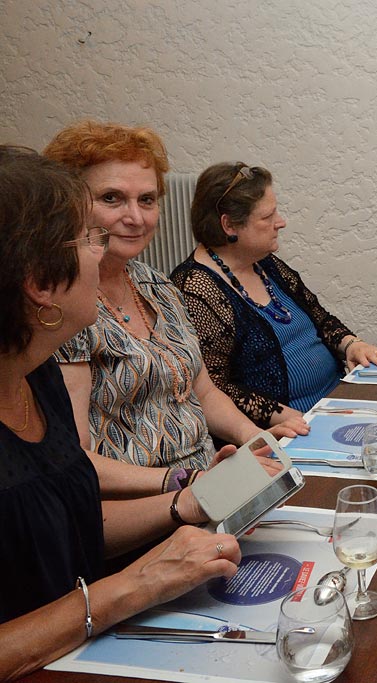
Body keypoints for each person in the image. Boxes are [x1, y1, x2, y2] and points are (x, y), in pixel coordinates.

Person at [0, 146, 242, 678]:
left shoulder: (33, 375)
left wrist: (190, 501)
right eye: (88, 237)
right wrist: (135, 582)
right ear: (40, 285)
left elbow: (70, 526)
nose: (104, 246)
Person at [43, 121, 306, 475]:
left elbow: (205, 392)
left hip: (211, 483)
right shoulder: (64, 306)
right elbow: (77, 461)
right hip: (149, 506)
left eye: (147, 200)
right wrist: (184, 484)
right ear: (68, 204)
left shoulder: (156, 286)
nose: (135, 217)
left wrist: (257, 438)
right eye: (112, 198)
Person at [171, 162, 377, 426]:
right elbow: (214, 387)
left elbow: (319, 318)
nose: (280, 222)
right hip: (289, 426)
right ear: (229, 226)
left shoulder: (263, 262)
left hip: (334, 401)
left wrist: (352, 344)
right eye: (267, 217)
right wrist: (286, 417)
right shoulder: (196, 288)